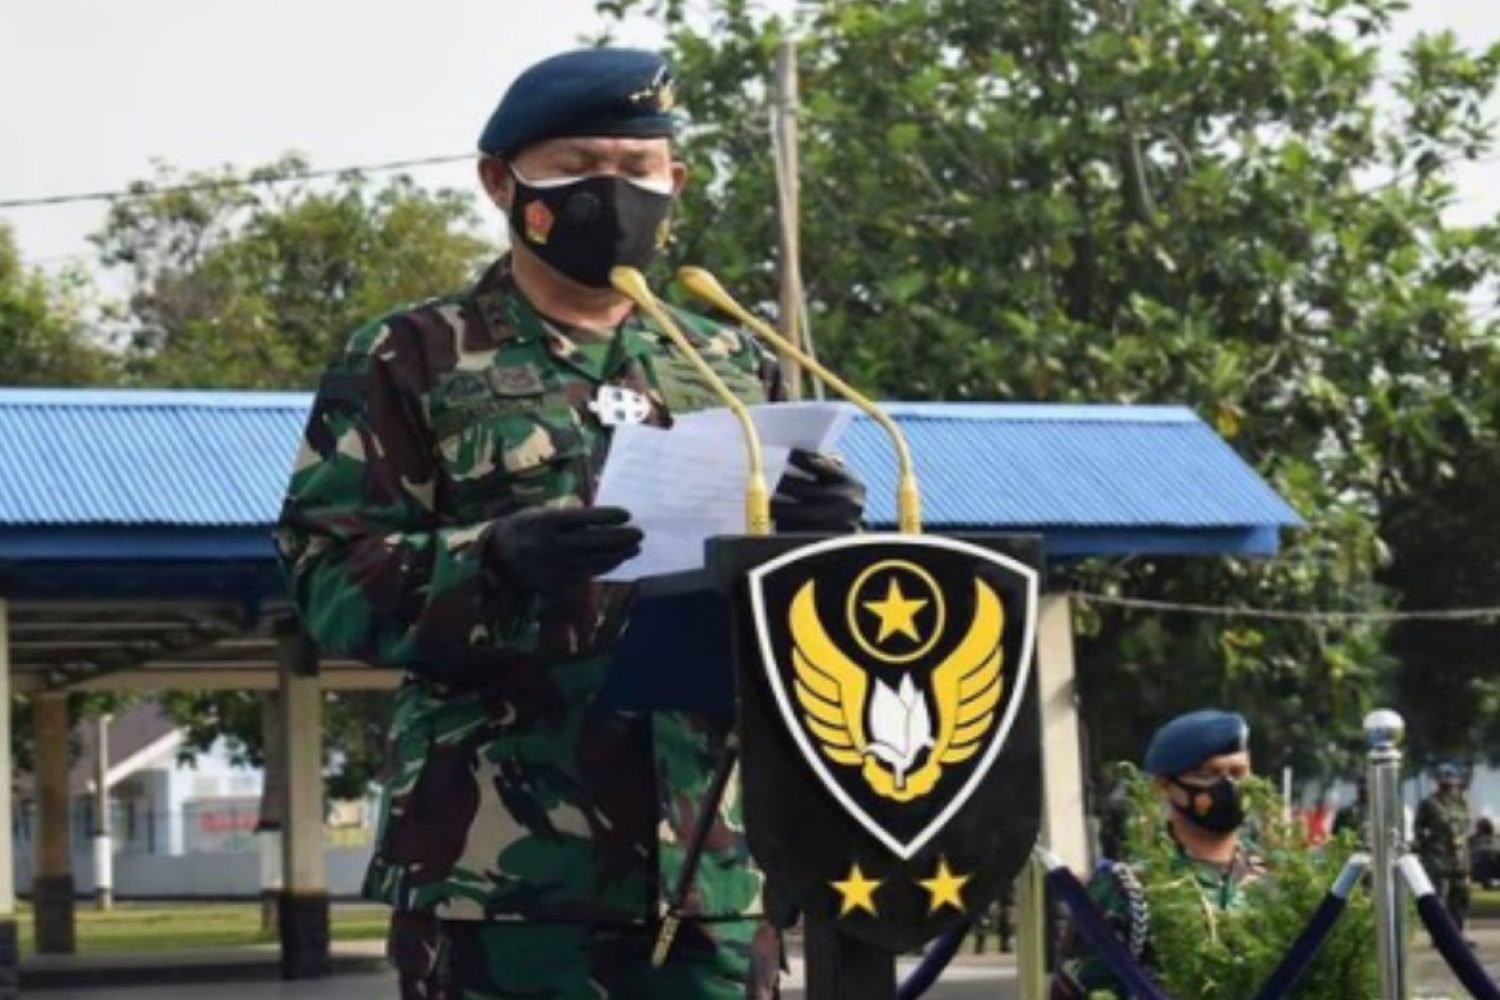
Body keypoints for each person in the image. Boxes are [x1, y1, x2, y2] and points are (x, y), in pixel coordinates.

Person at [275, 48, 865, 999]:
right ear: (501, 182)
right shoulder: (412, 356)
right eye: (581, 166)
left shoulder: (724, 359)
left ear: (675, 181)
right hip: (495, 875)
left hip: (707, 865)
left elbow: (790, 631)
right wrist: (491, 561)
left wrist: (823, 543)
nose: (616, 193)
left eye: (641, 169)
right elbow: (326, 581)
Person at [1051, 710, 1265, 999]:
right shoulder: (1128, 888)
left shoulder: (1281, 882)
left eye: (1238, 773)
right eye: (1209, 774)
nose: (1229, 787)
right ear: (1165, 785)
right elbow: (1078, 989)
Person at [1415, 762, 1472, 938]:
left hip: (1460, 859)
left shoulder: (1462, 802)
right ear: (1438, 781)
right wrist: (1426, 847)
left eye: (1451, 779)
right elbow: (1418, 828)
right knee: (1440, 899)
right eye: (1444, 779)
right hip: (1438, 858)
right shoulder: (1428, 804)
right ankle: (1441, 937)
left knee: (1461, 896)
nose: (1448, 783)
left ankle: (1458, 935)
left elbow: (1466, 826)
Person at [1331, 775, 1368, 844]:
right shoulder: (1347, 812)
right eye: (1361, 790)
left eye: (1364, 790)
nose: (1363, 792)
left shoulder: (1377, 811)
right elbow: (1335, 834)